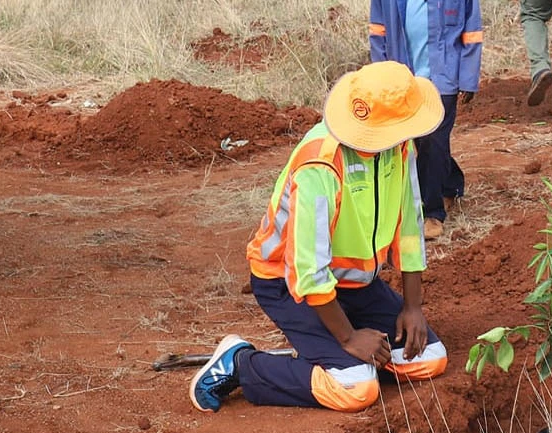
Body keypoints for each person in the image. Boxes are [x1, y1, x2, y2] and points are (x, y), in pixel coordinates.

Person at [191, 61, 449, 413]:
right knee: (357, 389)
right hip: (289, 285)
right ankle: (242, 364)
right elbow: (309, 270)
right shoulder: (320, 164)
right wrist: (348, 337)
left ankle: (332, 350)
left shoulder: (401, 150)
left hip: (354, 285)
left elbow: (409, 229)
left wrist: (413, 306)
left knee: (429, 359)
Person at [369, 0, 482, 241]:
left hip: (444, 72)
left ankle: (432, 212)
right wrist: (380, 71)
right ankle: (452, 183)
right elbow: (378, 26)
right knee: (415, 140)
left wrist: (469, 76)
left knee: (433, 138)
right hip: (401, 72)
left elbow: (472, 25)